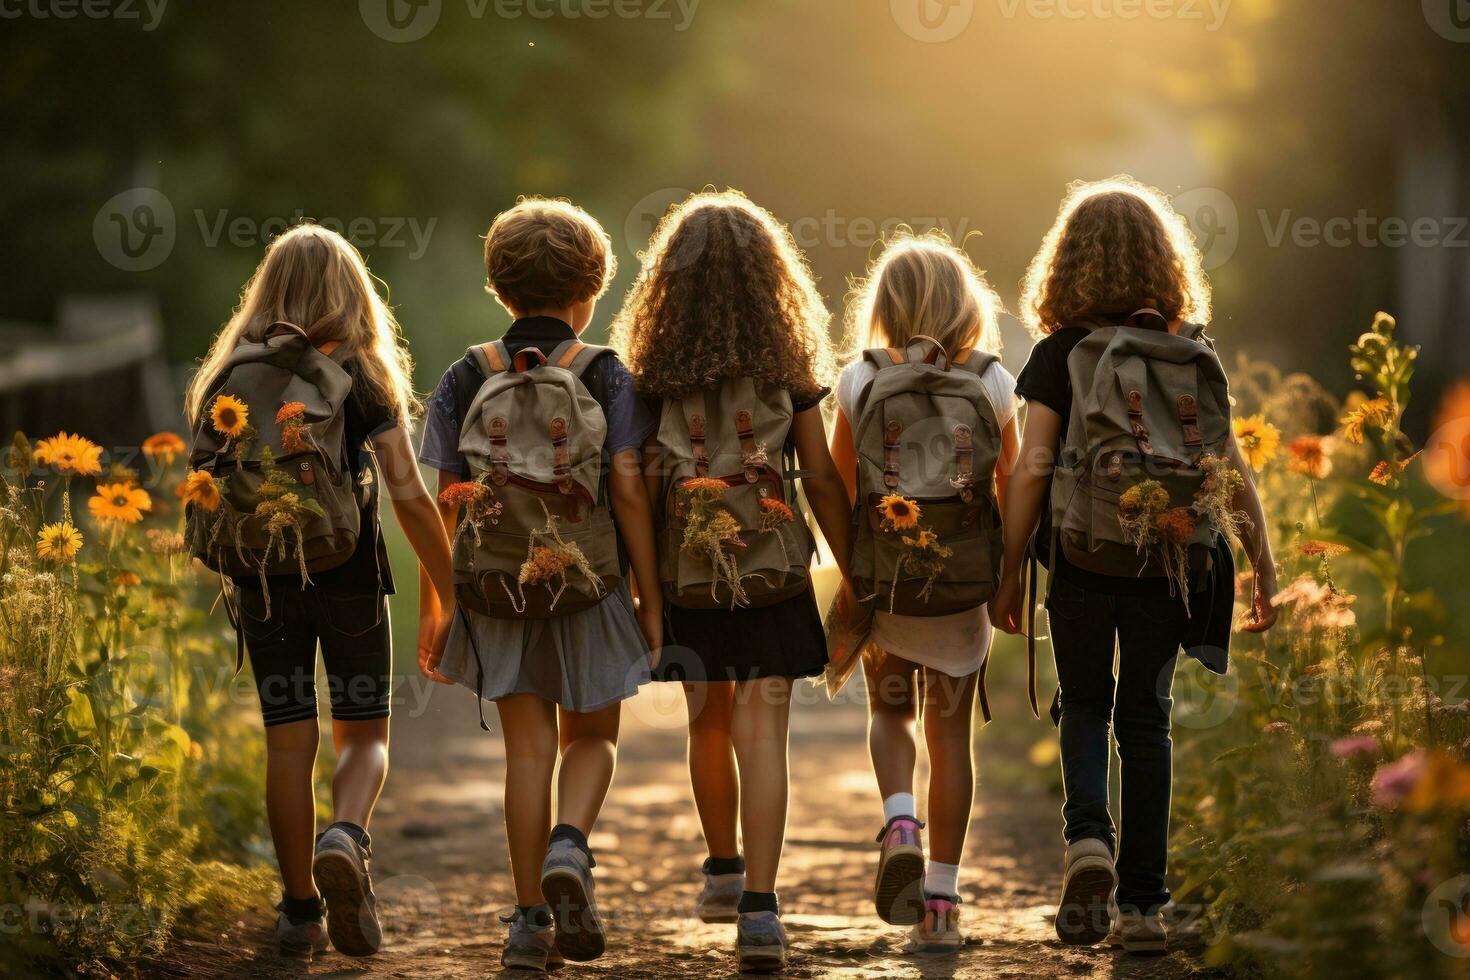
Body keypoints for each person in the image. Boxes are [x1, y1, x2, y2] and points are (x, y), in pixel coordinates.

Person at [988, 177, 1279, 955]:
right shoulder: (1192, 352)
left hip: (1082, 562)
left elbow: (1032, 468)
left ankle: (1088, 841)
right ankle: (1145, 908)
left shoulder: (1062, 353)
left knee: (1083, 703)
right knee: (1148, 724)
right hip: (1173, 563)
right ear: (1166, 262)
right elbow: (1227, 463)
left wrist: (1008, 569)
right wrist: (1263, 560)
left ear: (1067, 266)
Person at [183, 224, 456, 959]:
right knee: (364, 729)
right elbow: (406, 489)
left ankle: (299, 910)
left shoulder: (227, 375)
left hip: (259, 573)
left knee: (286, 731)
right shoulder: (359, 373)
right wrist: (447, 587)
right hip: (347, 569)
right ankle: (347, 834)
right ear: (351, 291)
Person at [417, 197, 661, 973]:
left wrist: (442, 603)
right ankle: (571, 844)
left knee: (527, 754)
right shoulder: (606, 373)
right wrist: (647, 593)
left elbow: (444, 499)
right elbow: (626, 484)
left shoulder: (465, 374)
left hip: (496, 589)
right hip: (589, 583)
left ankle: (526, 926)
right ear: (591, 290)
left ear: (500, 289)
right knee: (592, 738)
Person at [611, 190, 852, 971]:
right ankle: (761, 906)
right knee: (764, 735)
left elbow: (642, 491)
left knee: (705, 720)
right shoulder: (788, 372)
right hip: (774, 575)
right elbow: (817, 476)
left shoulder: (650, 378)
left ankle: (720, 869)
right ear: (770, 284)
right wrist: (858, 574)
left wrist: (646, 594)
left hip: (688, 579)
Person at [828, 231, 1020, 951]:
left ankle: (899, 820)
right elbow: (1015, 485)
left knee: (890, 711)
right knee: (951, 737)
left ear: (883, 306)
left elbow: (841, 486)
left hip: (887, 582)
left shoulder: (859, 379)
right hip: (963, 589)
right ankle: (940, 902)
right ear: (965, 305)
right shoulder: (994, 380)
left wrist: (851, 577)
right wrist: (1009, 577)